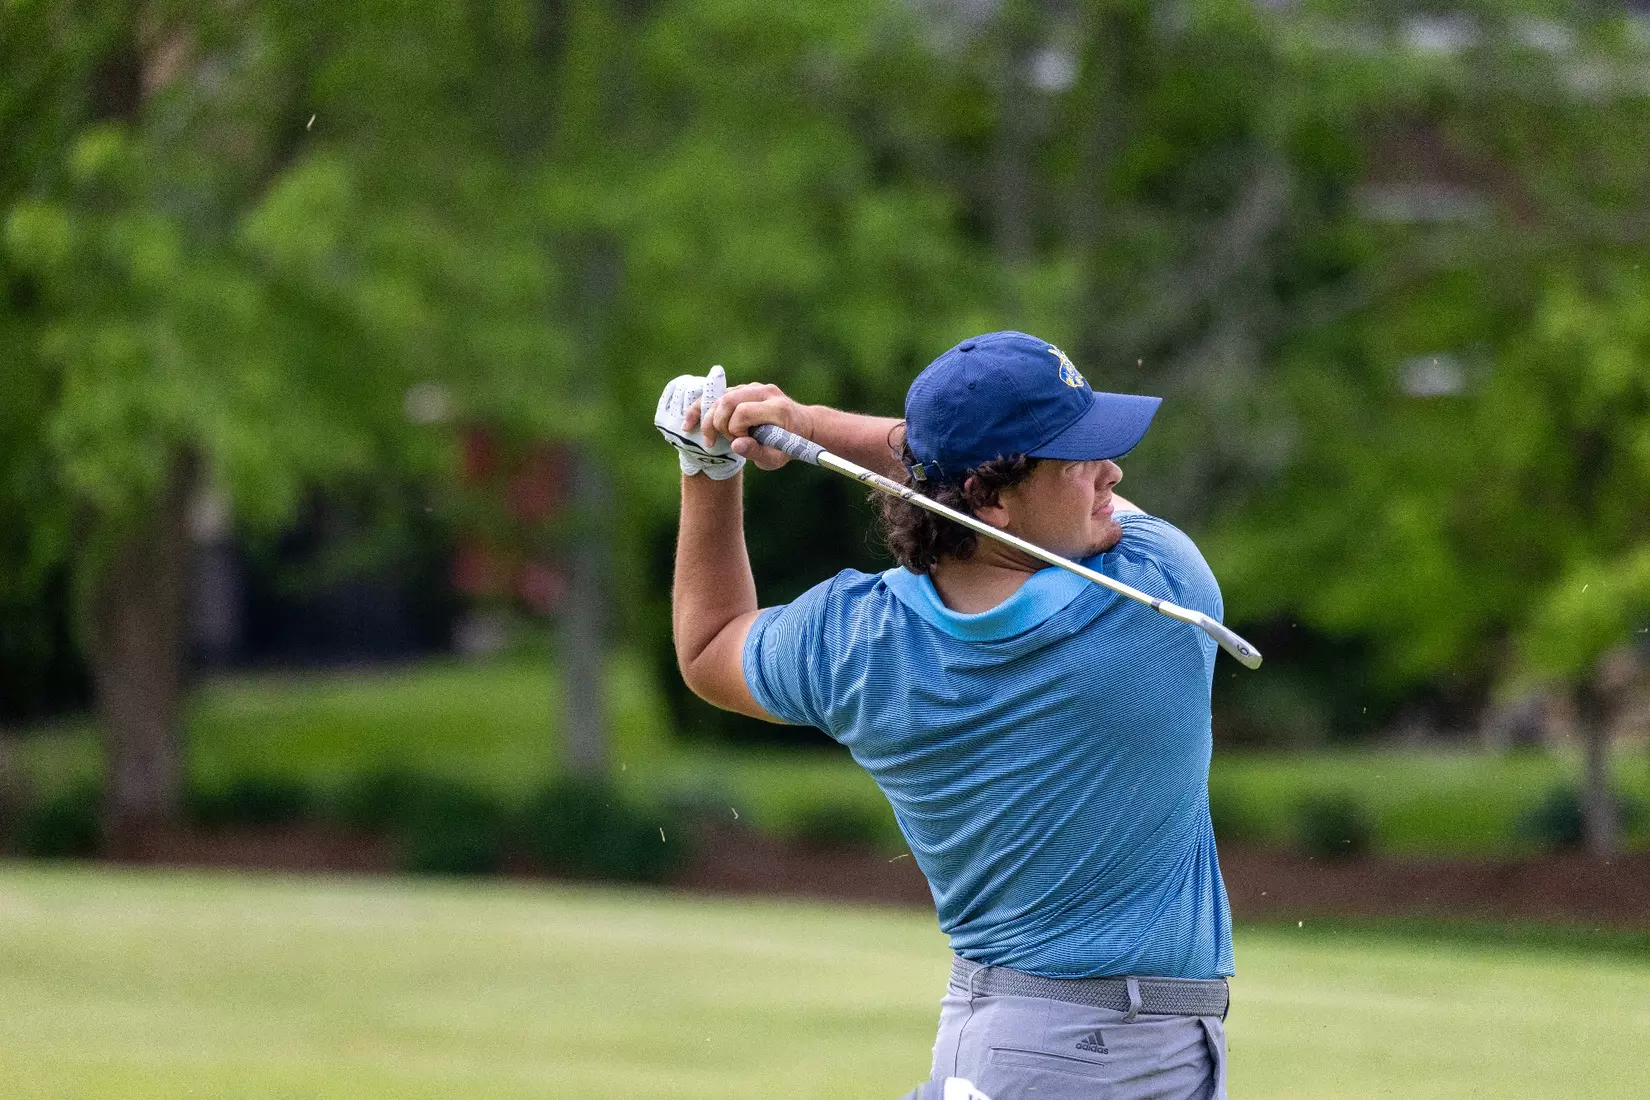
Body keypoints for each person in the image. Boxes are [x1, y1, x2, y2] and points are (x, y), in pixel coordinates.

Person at [657, 331, 1232, 1100]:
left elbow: (709, 647)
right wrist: (813, 422)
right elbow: (921, 458)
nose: (1112, 473)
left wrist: (708, 469)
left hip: (1001, 1044)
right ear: (992, 498)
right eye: (1078, 458)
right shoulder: (1159, 593)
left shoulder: (855, 640)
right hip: (1114, 1058)